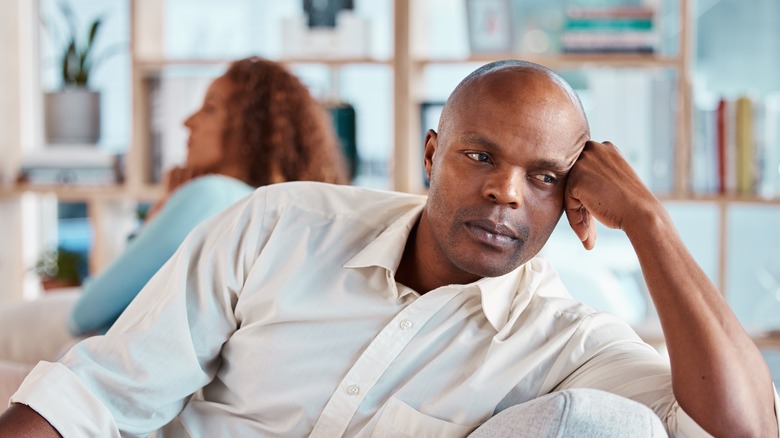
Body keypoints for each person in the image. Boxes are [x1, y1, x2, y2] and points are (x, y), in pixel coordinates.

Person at [1, 60, 778, 437]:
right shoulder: (278, 226)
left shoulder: (564, 343)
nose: (508, 192)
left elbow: (746, 427)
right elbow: (99, 394)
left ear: (571, 201)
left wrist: (649, 222)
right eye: (481, 156)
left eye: (544, 176)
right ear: (432, 153)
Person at [0, 56, 348, 398]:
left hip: (105, 388)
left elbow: (85, 312)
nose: (187, 121)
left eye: (209, 108)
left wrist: (161, 211)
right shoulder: (281, 210)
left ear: (251, 129)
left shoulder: (210, 193)